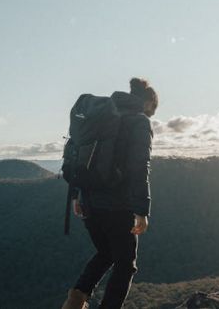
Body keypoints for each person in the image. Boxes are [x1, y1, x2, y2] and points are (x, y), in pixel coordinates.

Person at [61, 77, 158, 309]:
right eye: (153, 110)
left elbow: (77, 154)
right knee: (126, 265)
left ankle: (76, 299)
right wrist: (142, 210)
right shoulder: (139, 122)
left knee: (105, 252)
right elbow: (139, 167)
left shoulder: (101, 117)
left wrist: (76, 195)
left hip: (88, 201)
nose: (152, 115)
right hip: (117, 206)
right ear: (146, 104)